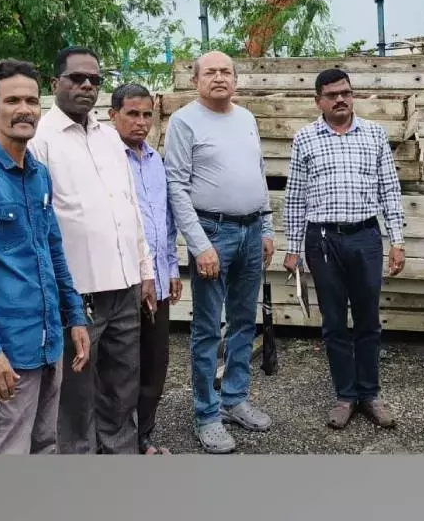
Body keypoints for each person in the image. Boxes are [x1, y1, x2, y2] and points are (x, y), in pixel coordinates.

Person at [0, 58, 90, 455]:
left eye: (31, 100)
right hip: (6, 349)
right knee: (5, 449)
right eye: (12, 101)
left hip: (47, 342)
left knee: (44, 444)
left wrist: (74, 316)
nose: (24, 109)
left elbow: (53, 251)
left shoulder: (38, 174)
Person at [28, 46, 157, 455]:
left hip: (123, 285)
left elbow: (129, 207)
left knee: (123, 381)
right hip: (77, 294)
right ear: (55, 84)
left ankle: (119, 454)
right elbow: (40, 224)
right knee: (76, 390)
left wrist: (145, 270)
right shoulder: (40, 141)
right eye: (77, 78)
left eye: (95, 80)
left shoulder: (106, 137)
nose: (87, 86)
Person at [163, 50, 276, 454]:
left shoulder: (246, 119)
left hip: (250, 230)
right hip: (213, 232)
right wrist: (199, 244)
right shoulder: (184, 121)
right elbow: (175, 185)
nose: (219, 77)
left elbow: (258, 173)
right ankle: (206, 414)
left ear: (235, 78)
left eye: (226, 71)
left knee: (244, 322)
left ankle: (235, 399)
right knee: (209, 328)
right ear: (196, 80)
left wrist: (266, 225)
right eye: (209, 72)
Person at [282, 69, 406, 430]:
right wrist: (293, 247)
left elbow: (389, 190)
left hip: (365, 237)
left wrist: (396, 240)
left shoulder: (374, 135)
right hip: (322, 240)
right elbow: (295, 197)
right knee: (334, 322)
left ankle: (369, 393)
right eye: (332, 94)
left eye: (346, 93)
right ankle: (345, 395)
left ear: (353, 96)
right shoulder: (305, 138)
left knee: (368, 320)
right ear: (318, 100)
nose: (341, 99)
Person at [108, 81, 183, 456]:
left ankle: (144, 436)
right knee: (120, 368)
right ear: (112, 115)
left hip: (160, 282)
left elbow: (164, 222)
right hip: (121, 282)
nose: (140, 123)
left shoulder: (156, 161)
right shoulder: (105, 160)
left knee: (155, 363)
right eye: (132, 114)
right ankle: (117, 441)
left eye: (146, 115)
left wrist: (171, 269)